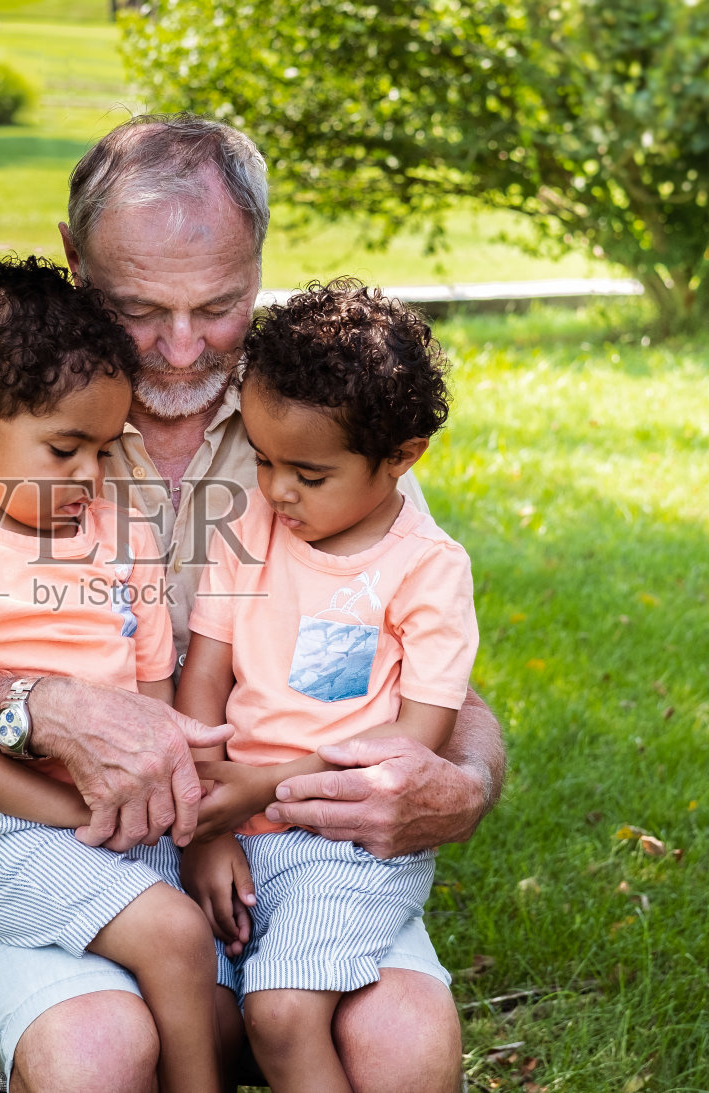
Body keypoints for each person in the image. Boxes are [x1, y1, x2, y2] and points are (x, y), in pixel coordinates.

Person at [0, 113, 506, 1093]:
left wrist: (464, 786)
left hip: (281, 854)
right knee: (97, 1058)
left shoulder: (316, 413)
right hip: (64, 846)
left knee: (400, 1042)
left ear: (260, 260)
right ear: (73, 262)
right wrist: (31, 704)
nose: (181, 351)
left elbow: (425, 673)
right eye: (139, 310)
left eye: (219, 305)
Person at [0, 256, 218, 1093]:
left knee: (213, 972)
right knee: (174, 935)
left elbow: (154, 712)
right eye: (65, 450)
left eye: (104, 449)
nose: (90, 477)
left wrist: (178, 811)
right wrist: (76, 807)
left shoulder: (122, 535)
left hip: (121, 825)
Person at [175, 282, 477, 1093]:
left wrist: (263, 785)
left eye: (307, 472)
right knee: (192, 1009)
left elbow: (418, 737)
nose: (278, 490)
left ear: (403, 456)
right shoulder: (250, 529)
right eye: (265, 460)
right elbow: (204, 673)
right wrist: (209, 824)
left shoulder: (424, 569)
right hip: (233, 830)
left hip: (346, 843)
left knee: (278, 1013)